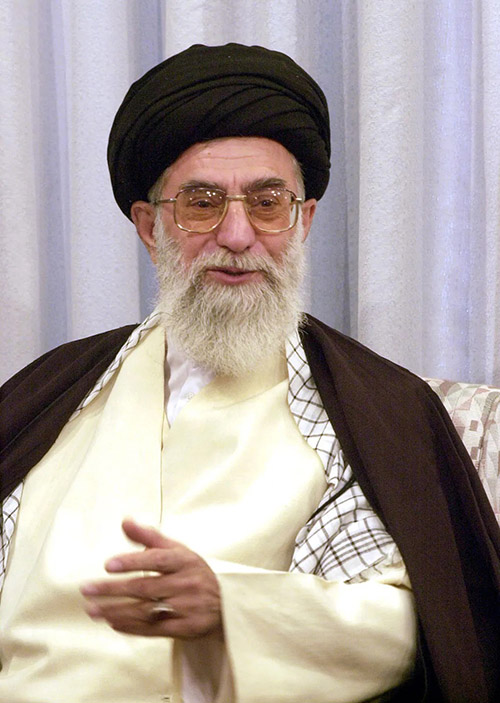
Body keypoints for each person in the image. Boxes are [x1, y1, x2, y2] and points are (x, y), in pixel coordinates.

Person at [0, 43, 499, 703]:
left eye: (267, 203)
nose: (237, 235)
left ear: (303, 220)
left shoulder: (367, 413)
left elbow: (415, 625)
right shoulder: (53, 393)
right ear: (150, 227)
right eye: (202, 203)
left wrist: (234, 607)